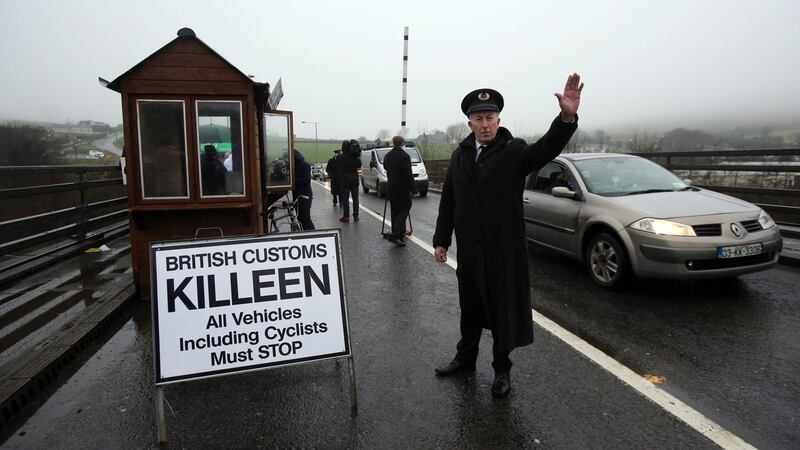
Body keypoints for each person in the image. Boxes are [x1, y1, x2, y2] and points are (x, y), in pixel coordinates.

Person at [432, 74, 584, 398]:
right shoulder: (460, 156)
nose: (485, 124)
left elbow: (544, 150)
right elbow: (449, 200)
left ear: (498, 120)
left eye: (490, 118)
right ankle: (465, 359)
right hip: (471, 252)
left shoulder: (513, 152)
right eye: (478, 118)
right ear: (469, 123)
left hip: (504, 253)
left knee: (503, 312)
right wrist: (441, 239)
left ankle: (502, 371)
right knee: (470, 309)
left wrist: (566, 118)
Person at [383, 135, 417, 246]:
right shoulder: (404, 156)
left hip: (392, 188)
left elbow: (386, 167)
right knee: (404, 210)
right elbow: (408, 175)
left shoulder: (388, 155)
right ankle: (396, 235)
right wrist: (414, 189)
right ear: (403, 143)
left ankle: (400, 235)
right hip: (403, 189)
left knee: (395, 212)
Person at [337, 140, 361, 223]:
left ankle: (346, 216)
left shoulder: (340, 157)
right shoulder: (355, 157)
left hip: (344, 181)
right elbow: (359, 165)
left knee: (345, 199)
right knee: (355, 199)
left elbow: (337, 167)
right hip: (354, 180)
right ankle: (356, 216)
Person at [292, 149, 315, 230]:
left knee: (305, 218)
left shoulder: (305, 165)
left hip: (305, 196)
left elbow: (307, 180)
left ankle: (313, 235)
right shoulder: (296, 165)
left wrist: (292, 181)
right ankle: (306, 233)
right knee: (300, 218)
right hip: (298, 196)